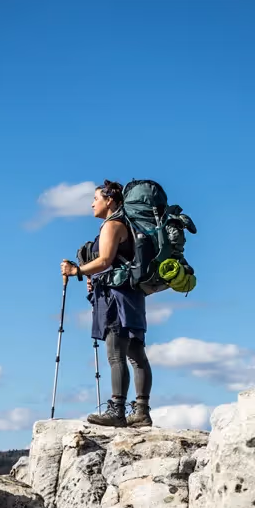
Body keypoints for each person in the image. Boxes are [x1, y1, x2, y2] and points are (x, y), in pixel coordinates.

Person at [60, 180, 153, 428]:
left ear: (109, 200)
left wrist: (77, 271)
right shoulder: (127, 225)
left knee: (115, 354)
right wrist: (92, 276)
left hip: (116, 298)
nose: (92, 204)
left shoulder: (112, 225)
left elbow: (104, 260)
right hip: (132, 296)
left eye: (95, 199)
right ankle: (141, 411)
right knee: (136, 354)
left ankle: (117, 411)